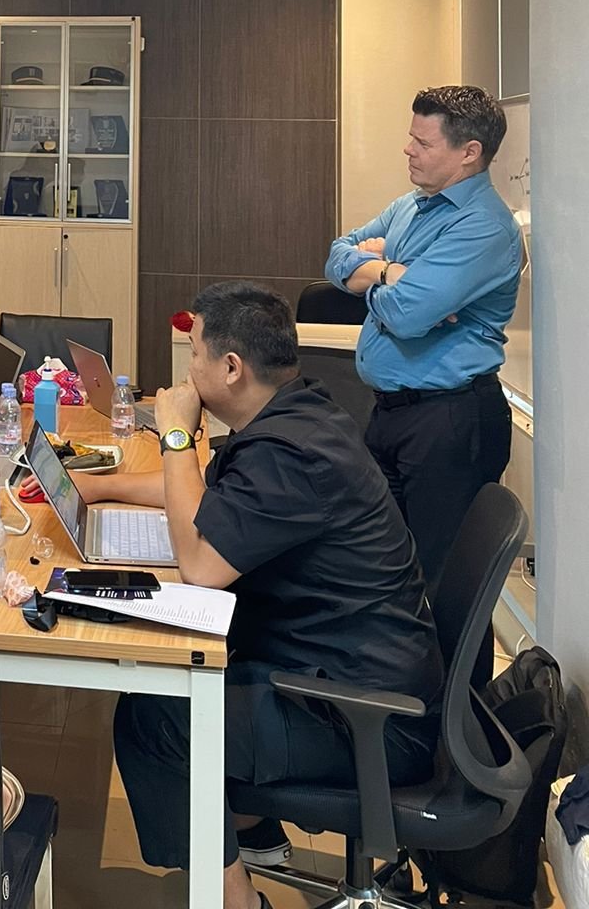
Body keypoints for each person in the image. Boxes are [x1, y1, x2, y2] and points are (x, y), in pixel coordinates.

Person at [72, 283, 441, 909]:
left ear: (230, 368)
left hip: (368, 716)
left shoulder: (293, 455)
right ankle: (253, 836)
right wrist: (93, 486)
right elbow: (199, 494)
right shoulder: (296, 416)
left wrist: (175, 435)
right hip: (341, 671)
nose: (186, 371)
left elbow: (199, 564)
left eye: (194, 353)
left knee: (157, 718)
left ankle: (238, 897)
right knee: (173, 687)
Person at [324, 85, 522, 591]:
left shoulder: (484, 226)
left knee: (444, 581)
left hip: (450, 420)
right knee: (384, 565)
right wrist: (390, 271)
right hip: (392, 412)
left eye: (423, 142)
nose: (408, 149)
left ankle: (452, 653)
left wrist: (375, 276)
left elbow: (408, 314)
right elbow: (336, 255)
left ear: (469, 152)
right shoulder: (412, 206)